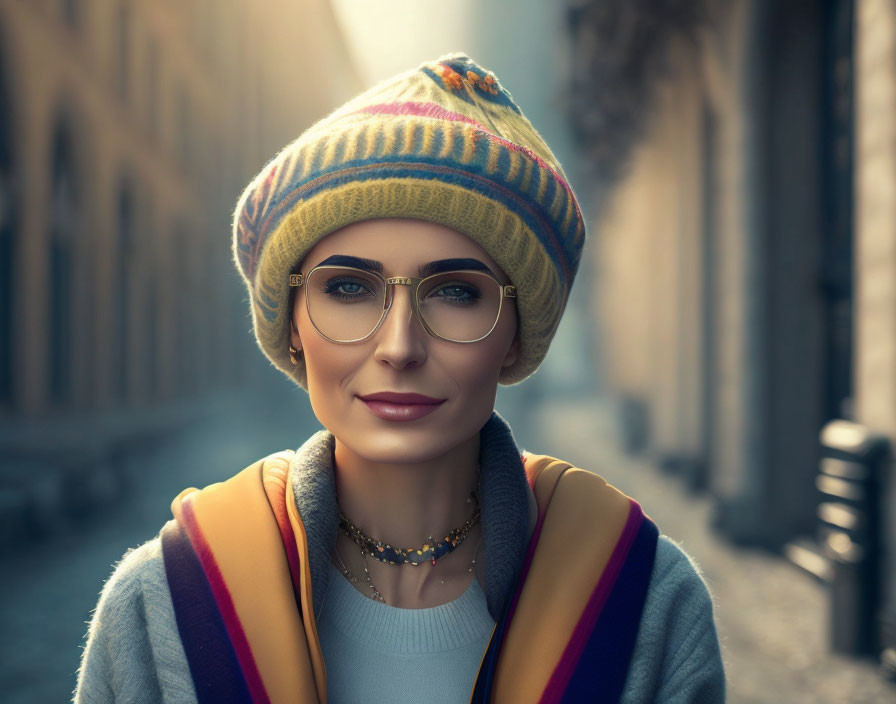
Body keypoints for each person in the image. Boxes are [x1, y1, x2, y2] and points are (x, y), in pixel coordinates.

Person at [74, 53, 726, 703]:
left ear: (516, 335)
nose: (399, 347)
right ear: (292, 328)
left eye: (457, 294)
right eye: (349, 287)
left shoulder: (646, 607)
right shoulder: (162, 607)